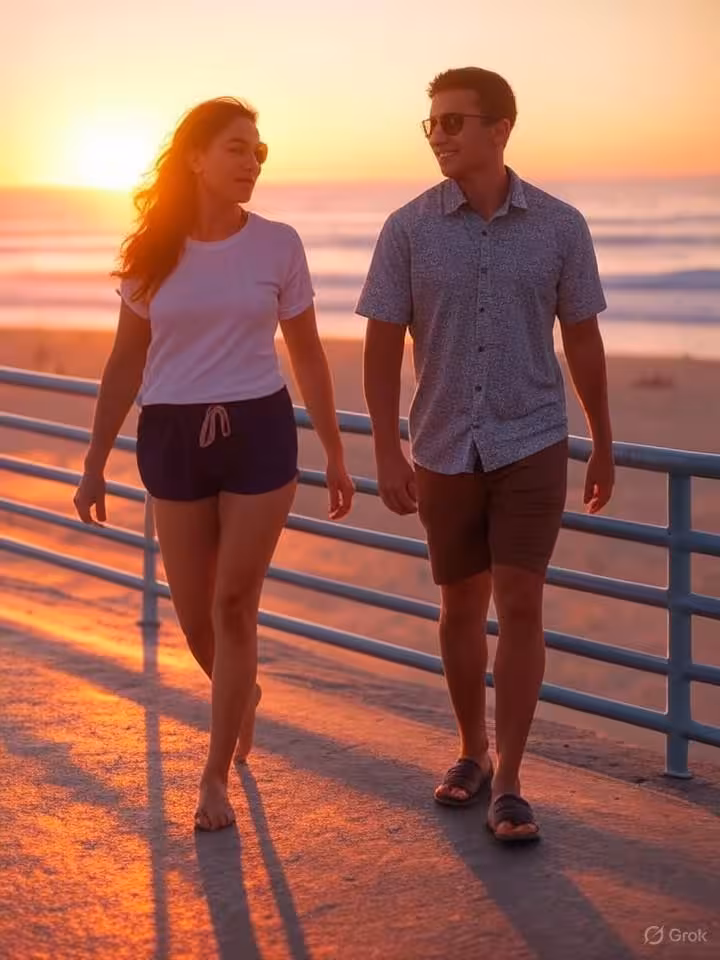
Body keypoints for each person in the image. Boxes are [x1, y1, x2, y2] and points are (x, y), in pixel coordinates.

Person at [74, 97, 355, 832]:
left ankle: (214, 777)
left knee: (235, 606)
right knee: (197, 619)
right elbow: (123, 362)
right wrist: (93, 462)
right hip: (170, 435)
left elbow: (309, 354)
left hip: (259, 431)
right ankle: (244, 694)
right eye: (237, 148)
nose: (252, 161)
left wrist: (333, 448)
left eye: (259, 151)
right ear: (196, 157)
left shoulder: (279, 245)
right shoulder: (150, 255)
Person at [358, 68, 614, 843]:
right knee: (460, 606)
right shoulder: (407, 228)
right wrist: (385, 448)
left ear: (501, 128)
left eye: (455, 122)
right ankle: (471, 748)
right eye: (431, 124)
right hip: (439, 443)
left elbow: (583, 339)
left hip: (532, 437)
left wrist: (603, 441)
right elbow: (377, 346)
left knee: (522, 600)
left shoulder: (561, 226)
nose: (440, 136)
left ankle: (509, 779)